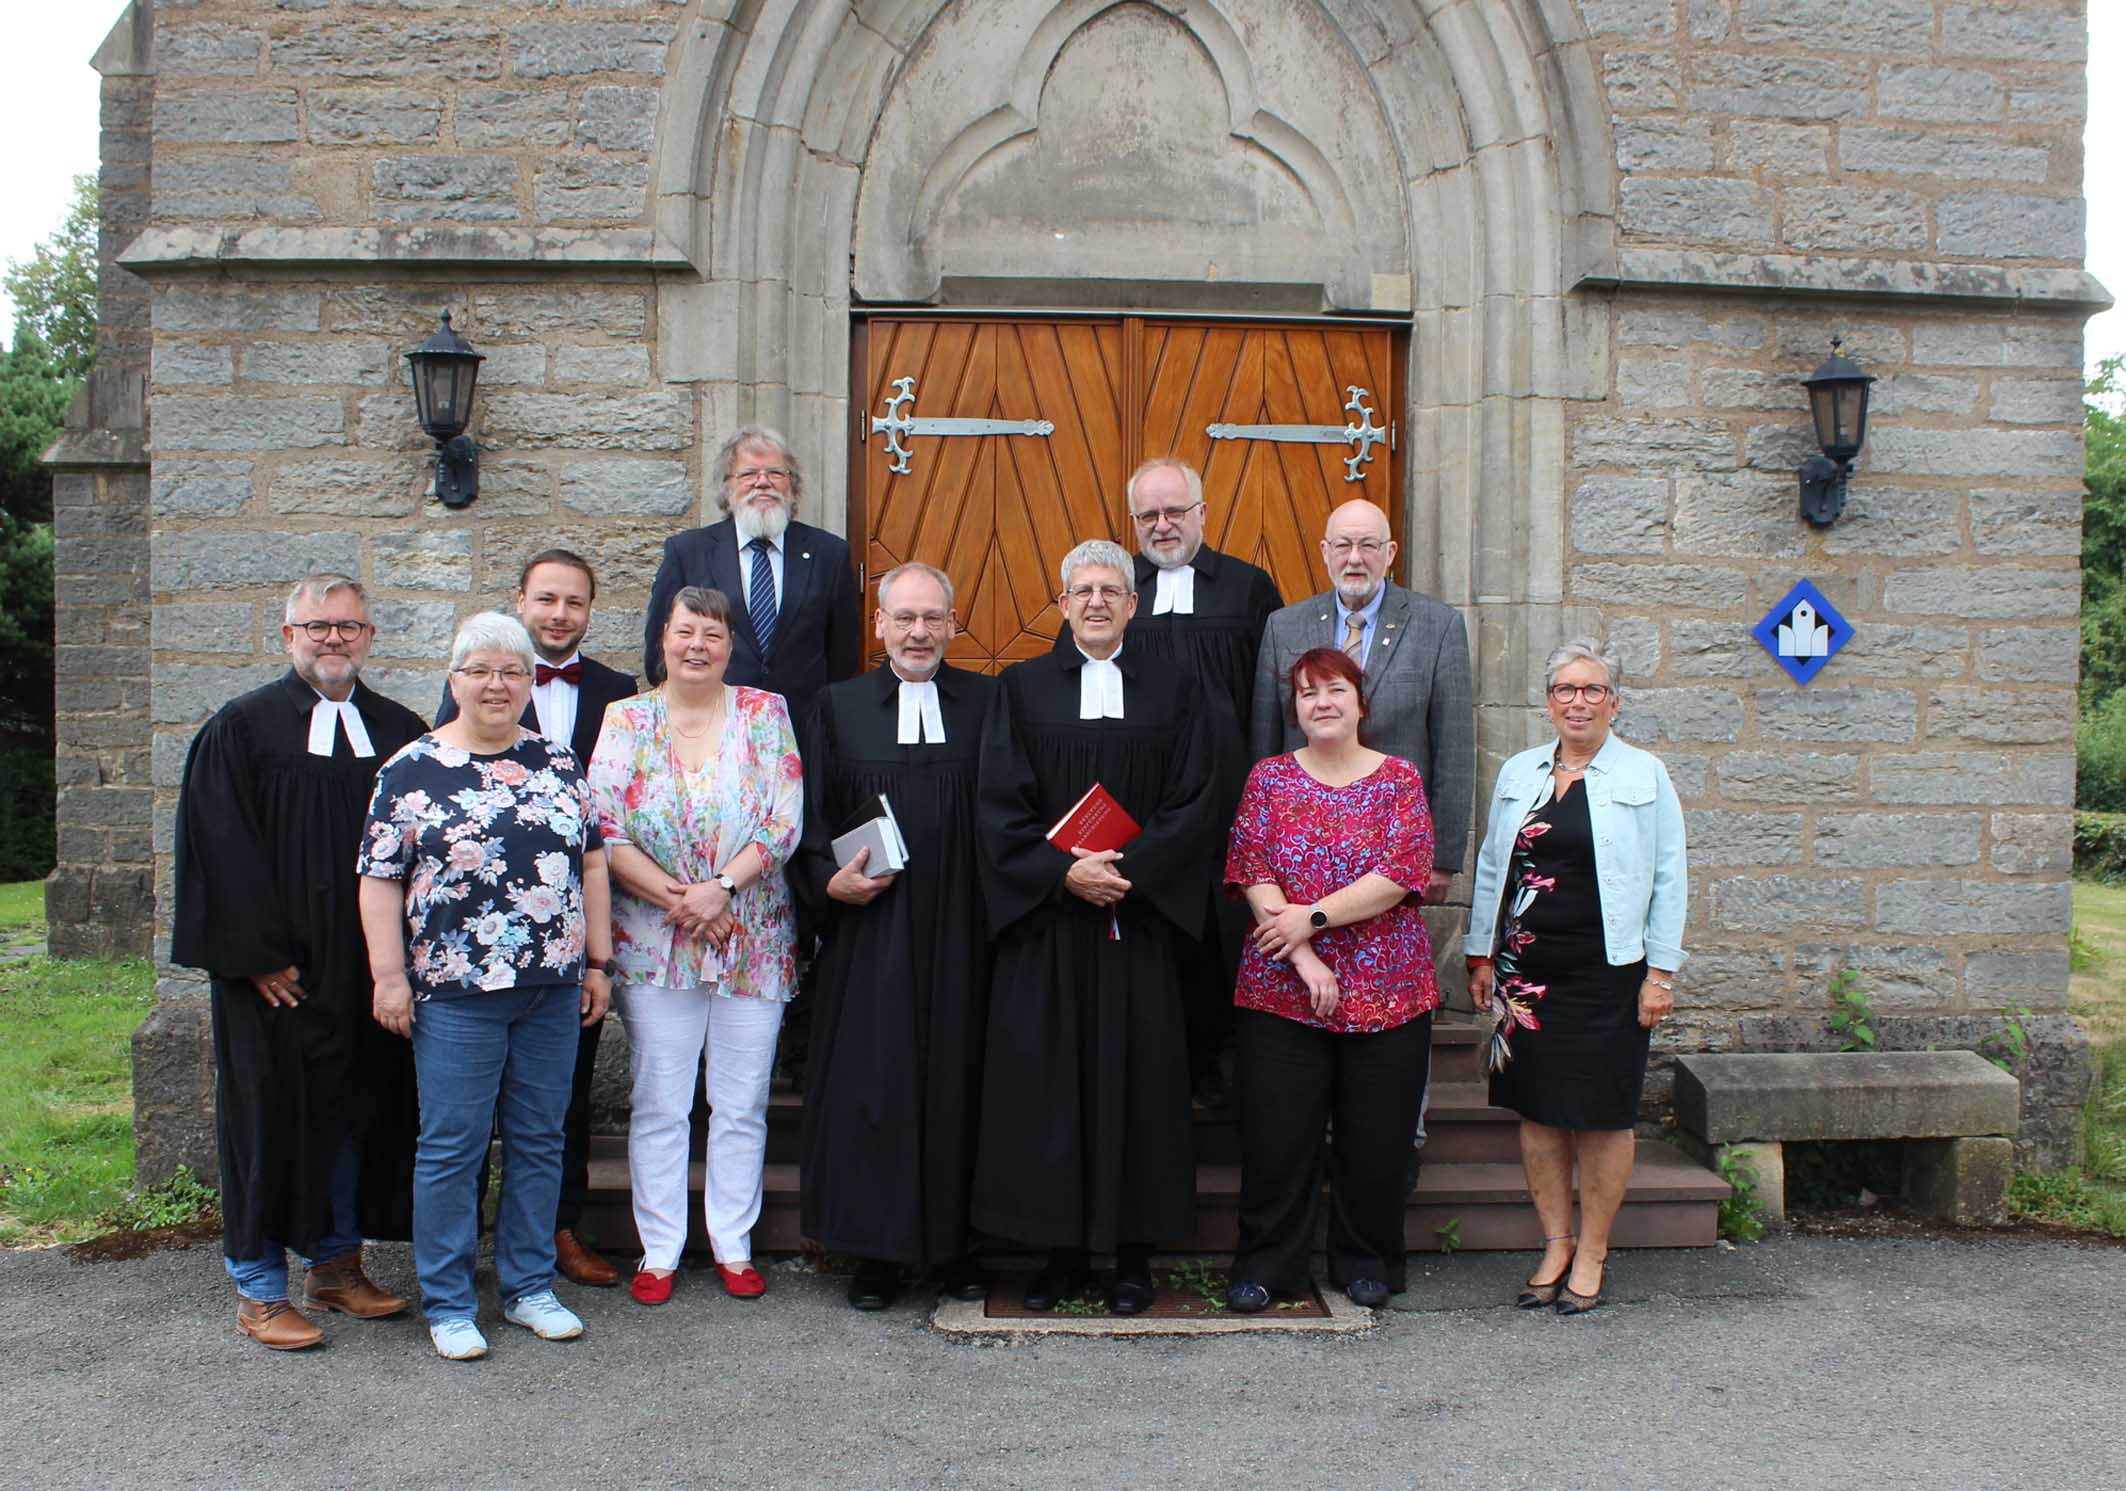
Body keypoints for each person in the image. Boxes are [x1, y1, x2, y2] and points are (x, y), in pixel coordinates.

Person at [170, 573, 426, 1351]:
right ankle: (258, 1287)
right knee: (267, 1118)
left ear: (369, 637)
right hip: (273, 978)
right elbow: (218, 847)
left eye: (349, 626)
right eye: (318, 626)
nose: (333, 638)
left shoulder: (401, 729)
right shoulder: (241, 728)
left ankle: (337, 1264)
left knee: (356, 1110)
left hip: (366, 970)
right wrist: (256, 956)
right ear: (289, 635)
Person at [356, 613, 614, 1362]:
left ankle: (530, 1286)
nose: (497, 685)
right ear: (455, 679)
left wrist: (598, 962)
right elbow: (379, 879)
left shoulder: (557, 762)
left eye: (512, 672)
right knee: (453, 1146)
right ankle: (448, 1301)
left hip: (551, 988)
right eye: (481, 671)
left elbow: (592, 863)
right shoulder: (410, 769)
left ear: (530, 683)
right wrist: (388, 975)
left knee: (540, 1139)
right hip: (455, 993)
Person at [972, 539, 1218, 1315]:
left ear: (1133, 603)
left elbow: (1196, 797)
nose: (1098, 601)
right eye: (1083, 590)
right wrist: (1061, 873)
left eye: (1112, 589)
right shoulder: (1021, 688)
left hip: (1139, 925)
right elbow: (998, 803)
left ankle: (1135, 1256)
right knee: (1050, 1087)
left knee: (1139, 1087)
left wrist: (1129, 871)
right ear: (1063, 602)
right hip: (1049, 926)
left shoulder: (1177, 689)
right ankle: (1061, 1254)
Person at [589, 586, 803, 1306]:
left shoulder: (765, 714)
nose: (697, 646)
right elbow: (605, 829)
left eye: (712, 634)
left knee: (740, 1102)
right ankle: (659, 1250)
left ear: (730, 645)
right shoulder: (626, 719)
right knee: (660, 1100)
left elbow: (784, 820)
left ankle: (733, 1245)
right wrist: (683, 900)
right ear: (663, 639)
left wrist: (722, 889)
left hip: (751, 935)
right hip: (657, 941)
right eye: (685, 632)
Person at [794, 563, 997, 1311]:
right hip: (872, 932)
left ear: (953, 623)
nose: (918, 632)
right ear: (878, 624)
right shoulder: (837, 706)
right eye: (904, 618)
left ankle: (957, 1248)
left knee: (962, 1081)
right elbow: (809, 818)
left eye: (932, 617)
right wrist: (830, 882)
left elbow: (1012, 807)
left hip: (966, 930)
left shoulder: (989, 702)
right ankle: (875, 1254)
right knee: (874, 1084)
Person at [1249, 497, 1474, 1165]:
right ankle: (1317, 1139)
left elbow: (1454, 740)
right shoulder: (1285, 625)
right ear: (1324, 552)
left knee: (1394, 999)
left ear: (1389, 553)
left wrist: (1444, 856)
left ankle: (1400, 1143)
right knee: (1307, 997)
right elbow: (1265, 736)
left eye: (1368, 545)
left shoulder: (1437, 625)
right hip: (1299, 864)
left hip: (1392, 859)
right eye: (1343, 545)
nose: (1355, 558)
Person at [1465, 638, 1686, 1316]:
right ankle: (1556, 1243)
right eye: (1566, 689)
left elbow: (1669, 876)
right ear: (1549, 700)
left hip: (1608, 972)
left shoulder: (1645, 774)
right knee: (1537, 1110)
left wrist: (1661, 973)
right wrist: (1480, 953)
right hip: (1526, 973)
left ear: (1615, 702)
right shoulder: (1520, 771)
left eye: (1593, 690)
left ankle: (1592, 1250)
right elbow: (1493, 867)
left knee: (1602, 1115)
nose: (1578, 701)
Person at [434, 548, 637, 1288]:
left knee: (564, 1094)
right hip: (476, 939)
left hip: (569, 929)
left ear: (590, 611)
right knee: (466, 1107)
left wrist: (598, 951)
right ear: (520, 601)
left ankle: (559, 1228)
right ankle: (464, 1246)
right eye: (546, 598)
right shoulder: (470, 686)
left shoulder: (616, 691)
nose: (559, 614)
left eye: (574, 601)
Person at [1223, 648, 1439, 1312]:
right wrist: (1303, 953)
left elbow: (1402, 871)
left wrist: (1311, 918)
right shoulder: (1268, 779)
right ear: (1295, 709)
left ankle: (1367, 1259)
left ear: (1360, 703)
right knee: (1277, 1137)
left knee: (1375, 1137)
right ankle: (1267, 1265)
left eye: (1335, 689)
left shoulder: (1399, 778)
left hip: (1388, 989)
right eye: (1307, 692)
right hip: (1282, 987)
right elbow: (1252, 866)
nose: (1322, 702)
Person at [1110, 458, 1280, 1105]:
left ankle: (1231, 1070)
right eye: (1148, 515)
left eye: (1174, 511)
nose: (1162, 524)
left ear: (1201, 513)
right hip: (1145, 807)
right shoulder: (1117, 590)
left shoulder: (1247, 588)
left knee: (1226, 930)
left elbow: (1271, 697)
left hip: (1234, 801)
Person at [642, 427, 861, 719]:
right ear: (726, 487)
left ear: (793, 487)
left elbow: (843, 656)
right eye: (748, 474)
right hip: (710, 725)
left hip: (803, 727)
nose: (763, 482)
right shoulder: (687, 552)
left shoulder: (829, 554)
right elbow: (659, 651)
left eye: (776, 473)